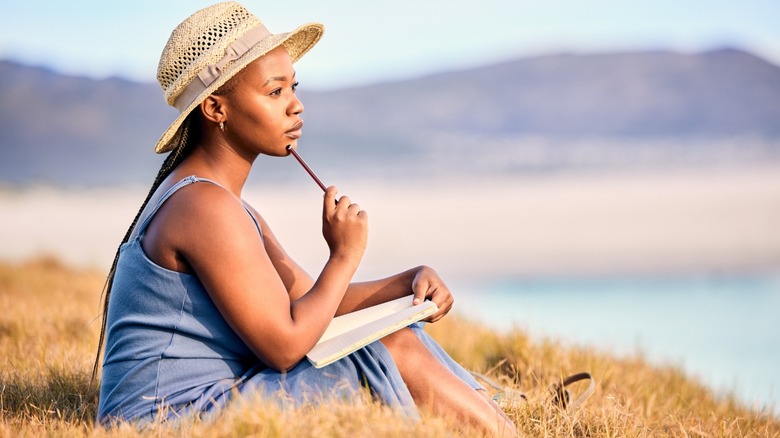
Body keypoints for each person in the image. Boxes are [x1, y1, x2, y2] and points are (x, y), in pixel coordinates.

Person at [94, 2, 516, 435]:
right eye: (275, 92)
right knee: (389, 345)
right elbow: (283, 346)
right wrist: (344, 256)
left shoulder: (219, 204)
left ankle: (490, 415)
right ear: (216, 109)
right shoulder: (204, 208)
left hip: (204, 403)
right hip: (171, 422)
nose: (296, 106)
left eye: (293, 87)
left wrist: (406, 283)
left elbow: (309, 300)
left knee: (396, 332)